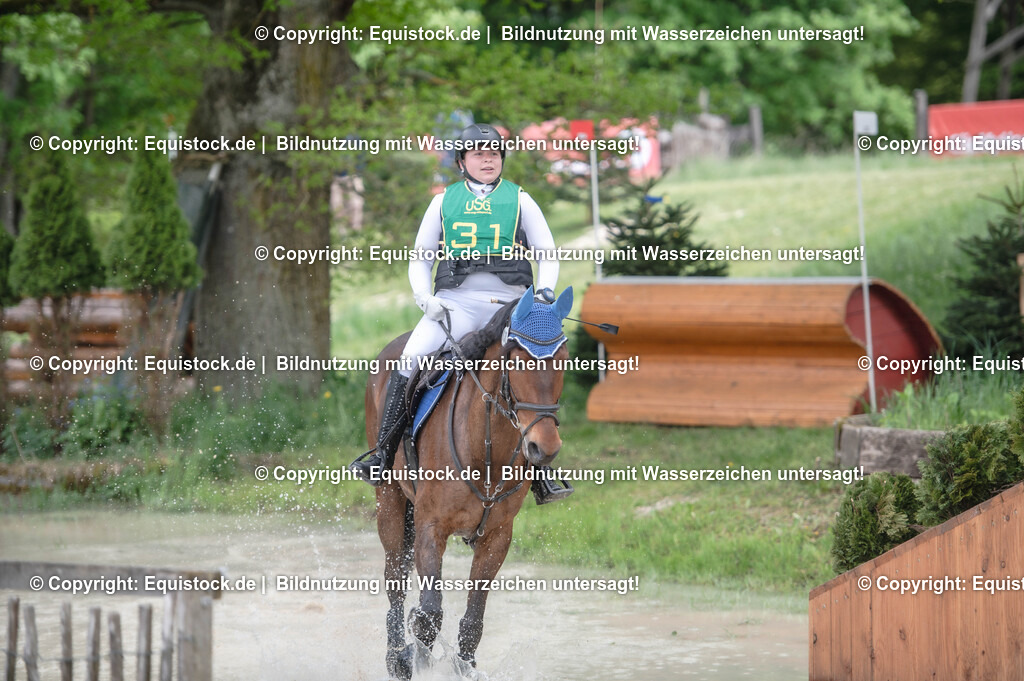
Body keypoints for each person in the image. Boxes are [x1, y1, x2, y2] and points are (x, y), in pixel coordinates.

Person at [350, 123, 572, 504]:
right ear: (461, 161)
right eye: (479, 154)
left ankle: (540, 472)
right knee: (410, 359)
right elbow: (420, 258)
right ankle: (384, 455)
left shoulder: (521, 199)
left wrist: (545, 293)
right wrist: (424, 298)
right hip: (456, 304)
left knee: (538, 363)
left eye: (494, 153)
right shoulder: (442, 202)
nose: (488, 159)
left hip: (511, 307)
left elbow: (546, 252)